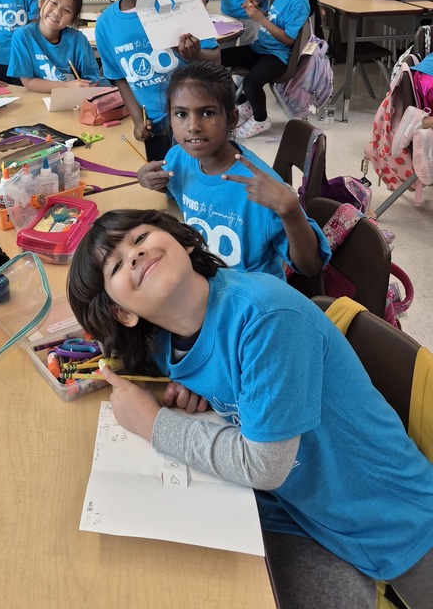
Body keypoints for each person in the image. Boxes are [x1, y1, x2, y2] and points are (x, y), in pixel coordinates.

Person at [67, 208, 433, 609]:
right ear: (123, 312)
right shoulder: (164, 342)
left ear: (185, 242)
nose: (134, 255)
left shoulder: (266, 317)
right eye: (117, 264)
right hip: (300, 514)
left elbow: (264, 465)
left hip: (396, 519)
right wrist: (185, 391)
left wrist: (153, 423)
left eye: (139, 238)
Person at [137, 61, 329, 280]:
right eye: (181, 114)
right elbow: (176, 189)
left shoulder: (258, 190)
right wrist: (148, 180)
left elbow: (311, 267)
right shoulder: (178, 157)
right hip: (205, 279)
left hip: (251, 299)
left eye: (207, 113)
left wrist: (291, 212)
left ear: (232, 119)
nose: (193, 126)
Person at [93, 0, 219, 162]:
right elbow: (119, 77)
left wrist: (195, 54)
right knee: (164, 185)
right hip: (154, 126)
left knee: (201, 177)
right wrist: (137, 119)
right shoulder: (106, 25)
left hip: (195, 120)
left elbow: (217, 59)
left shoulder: (181, 5)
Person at [220, 0, 322, 139]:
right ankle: (244, 103)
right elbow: (276, 21)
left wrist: (260, 19)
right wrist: (260, 11)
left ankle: (260, 119)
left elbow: (289, 39)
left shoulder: (299, 1)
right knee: (217, 59)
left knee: (251, 82)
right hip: (262, 48)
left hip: (278, 56)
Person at [7, 0, 103, 92]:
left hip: (73, 100)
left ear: (73, 19)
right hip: (38, 101)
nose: (57, 12)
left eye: (66, 10)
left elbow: (92, 80)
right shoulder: (23, 36)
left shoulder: (78, 40)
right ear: (41, 1)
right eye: (54, 3)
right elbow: (28, 82)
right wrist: (67, 86)